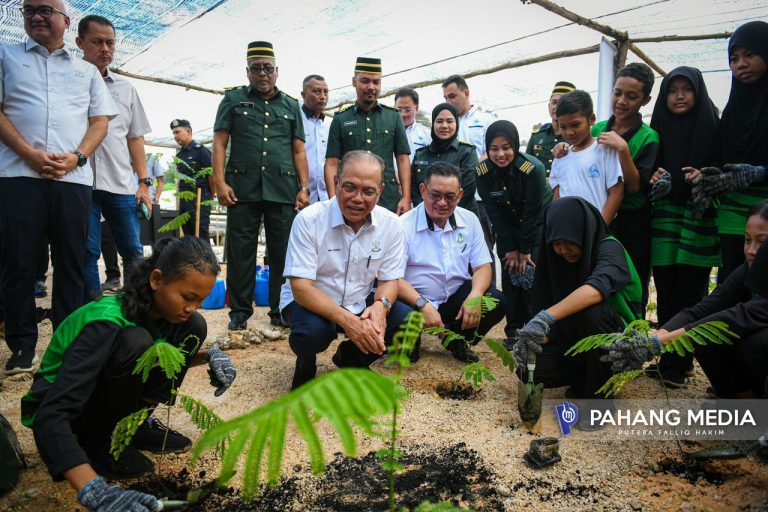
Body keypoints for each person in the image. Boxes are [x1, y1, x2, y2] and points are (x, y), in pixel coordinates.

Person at [20, 237, 236, 510]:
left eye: (201, 299)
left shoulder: (163, 312)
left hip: (98, 395)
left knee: (194, 326)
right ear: (157, 280)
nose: (193, 306)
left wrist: (211, 357)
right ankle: (101, 444)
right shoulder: (105, 322)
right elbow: (50, 415)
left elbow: (162, 355)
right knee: (136, 342)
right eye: (187, 297)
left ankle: (132, 428)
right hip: (66, 415)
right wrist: (93, 490)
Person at [0, 0, 116, 375]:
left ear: (66, 22)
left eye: (45, 10)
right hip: (18, 175)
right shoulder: (6, 56)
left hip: (73, 179)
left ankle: (66, 343)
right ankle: (22, 347)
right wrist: (29, 153)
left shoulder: (86, 71)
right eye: (29, 9)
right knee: (17, 261)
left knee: (72, 261)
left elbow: (99, 122)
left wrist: (77, 158)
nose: (36, 16)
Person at [603, 201, 768, 400]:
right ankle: (747, 403)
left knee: (757, 343)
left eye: (762, 241)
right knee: (703, 337)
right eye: (747, 240)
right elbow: (700, 311)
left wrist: (660, 342)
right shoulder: (747, 270)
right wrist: (652, 340)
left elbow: (738, 317)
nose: (751, 250)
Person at [280, 151, 411, 389]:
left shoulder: (391, 224)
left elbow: (390, 280)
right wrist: (350, 323)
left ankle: (352, 357)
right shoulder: (309, 219)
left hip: (358, 298)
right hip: (310, 301)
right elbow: (301, 288)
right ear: (336, 182)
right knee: (311, 334)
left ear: (380, 191)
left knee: (404, 319)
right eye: (349, 187)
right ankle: (305, 362)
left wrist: (380, 307)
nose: (357, 198)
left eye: (368, 191)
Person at [213, 41, 310, 330]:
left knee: (283, 252)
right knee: (240, 251)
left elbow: (299, 151)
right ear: (247, 71)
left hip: (283, 189)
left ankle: (280, 309)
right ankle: (239, 313)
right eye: (256, 68)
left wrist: (304, 188)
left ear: (277, 71)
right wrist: (220, 182)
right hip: (241, 188)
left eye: (268, 68)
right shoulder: (232, 100)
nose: (262, 74)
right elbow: (219, 142)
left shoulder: (291, 105)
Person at [513, 197, 642, 398]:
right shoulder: (557, 260)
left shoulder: (609, 248)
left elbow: (596, 289)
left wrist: (546, 317)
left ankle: (601, 395)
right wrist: (538, 335)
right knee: (530, 368)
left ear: (583, 233)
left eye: (570, 242)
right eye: (557, 243)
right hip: (575, 338)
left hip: (619, 344)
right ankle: (585, 378)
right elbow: (548, 301)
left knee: (593, 312)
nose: (564, 250)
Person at [645, 67, 721, 388]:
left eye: (686, 89)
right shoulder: (657, 127)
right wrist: (654, 177)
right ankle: (669, 357)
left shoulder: (714, 126)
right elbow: (647, 168)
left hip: (697, 217)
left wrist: (706, 175)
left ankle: (682, 362)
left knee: (692, 291)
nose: (679, 96)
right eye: (672, 89)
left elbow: (724, 164)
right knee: (666, 289)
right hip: (665, 218)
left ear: (698, 92)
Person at [76, 15, 153, 301]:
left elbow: (135, 137)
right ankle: (92, 307)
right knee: (86, 250)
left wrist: (143, 182)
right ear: (80, 42)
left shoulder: (125, 88)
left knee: (133, 249)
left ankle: (135, 305)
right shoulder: (70, 81)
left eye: (110, 43)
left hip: (121, 182)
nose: (105, 49)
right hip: (80, 182)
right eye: (97, 42)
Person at [398, 162, 504, 362]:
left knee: (496, 300)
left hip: (454, 298)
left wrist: (474, 295)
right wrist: (423, 305)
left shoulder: (470, 220)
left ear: (460, 194)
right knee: (406, 352)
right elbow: (392, 278)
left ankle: (456, 338)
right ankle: (412, 337)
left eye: (450, 197)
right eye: (435, 195)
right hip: (413, 301)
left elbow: (482, 266)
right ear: (422, 190)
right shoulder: (402, 225)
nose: (442, 203)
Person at [694, 21, 768, 283]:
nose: (741, 64)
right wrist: (707, 184)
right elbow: (719, 158)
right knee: (732, 282)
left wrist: (760, 173)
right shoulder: (733, 110)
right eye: (734, 58)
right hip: (732, 216)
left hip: (765, 215)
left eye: (750, 54)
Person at [591, 63, 660, 314]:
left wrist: (623, 149)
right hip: (601, 215)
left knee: (632, 279)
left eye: (632, 97)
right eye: (617, 93)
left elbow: (635, 188)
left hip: (633, 223)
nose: (622, 101)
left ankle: (633, 333)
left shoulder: (648, 137)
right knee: (599, 275)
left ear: (645, 100)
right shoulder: (596, 129)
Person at [476, 120, 552, 342]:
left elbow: (533, 212)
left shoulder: (532, 169)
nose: (501, 154)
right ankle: (514, 332)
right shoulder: (482, 173)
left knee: (532, 278)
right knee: (510, 279)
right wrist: (509, 249)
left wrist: (525, 250)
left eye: (506, 147)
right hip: (507, 228)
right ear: (487, 149)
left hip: (537, 227)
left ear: (516, 146)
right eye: (494, 148)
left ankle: (535, 330)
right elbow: (494, 213)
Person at [324, 57, 412, 214]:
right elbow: (331, 163)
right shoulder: (341, 119)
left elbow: (403, 159)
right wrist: (333, 199)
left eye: (376, 82)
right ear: (354, 81)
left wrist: (406, 197)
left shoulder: (393, 117)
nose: (371, 87)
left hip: (387, 196)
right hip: (351, 197)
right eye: (365, 81)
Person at [442, 75, 497, 264]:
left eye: (452, 96)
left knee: (483, 248)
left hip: (479, 198)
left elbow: (492, 152)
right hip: (450, 198)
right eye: (446, 98)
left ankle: (487, 290)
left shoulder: (485, 120)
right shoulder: (446, 123)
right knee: (456, 249)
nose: (449, 101)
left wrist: (470, 169)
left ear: (466, 93)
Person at [550, 90, 624, 224]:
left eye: (575, 125)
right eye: (563, 126)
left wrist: (599, 230)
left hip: (598, 230)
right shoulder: (560, 157)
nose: (569, 132)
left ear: (592, 119)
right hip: (568, 231)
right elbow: (557, 198)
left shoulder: (605, 149)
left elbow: (616, 193)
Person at [411, 103, 479, 215]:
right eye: (439, 121)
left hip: (461, 217)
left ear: (456, 124)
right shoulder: (420, 154)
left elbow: (468, 190)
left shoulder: (467, 152)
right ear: (433, 124)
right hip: (426, 217)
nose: (444, 125)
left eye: (449, 121)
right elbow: (415, 190)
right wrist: (429, 212)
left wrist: (444, 213)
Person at [171, 119, 213, 243]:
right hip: (184, 198)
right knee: (187, 232)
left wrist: (209, 198)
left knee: (200, 232)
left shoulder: (201, 151)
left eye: (177, 132)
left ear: (188, 131)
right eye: (173, 133)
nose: (175, 136)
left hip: (199, 196)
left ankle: (207, 261)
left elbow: (212, 176)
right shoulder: (180, 156)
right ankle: (192, 261)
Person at [526, 81, 575, 175]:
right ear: (549, 106)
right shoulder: (537, 136)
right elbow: (526, 167)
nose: (556, 107)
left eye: (562, 103)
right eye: (554, 102)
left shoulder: (577, 138)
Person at [301, 74, 332, 203]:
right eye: (316, 91)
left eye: (325, 92)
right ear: (303, 95)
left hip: (326, 196)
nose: (323, 96)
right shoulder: (296, 121)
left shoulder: (330, 124)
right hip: (302, 195)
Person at [394, 88, 431, 160]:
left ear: (416, 108)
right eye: (399, 110)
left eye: (407, 110)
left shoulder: (427, 134)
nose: (403, 114)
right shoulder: (387, 132)